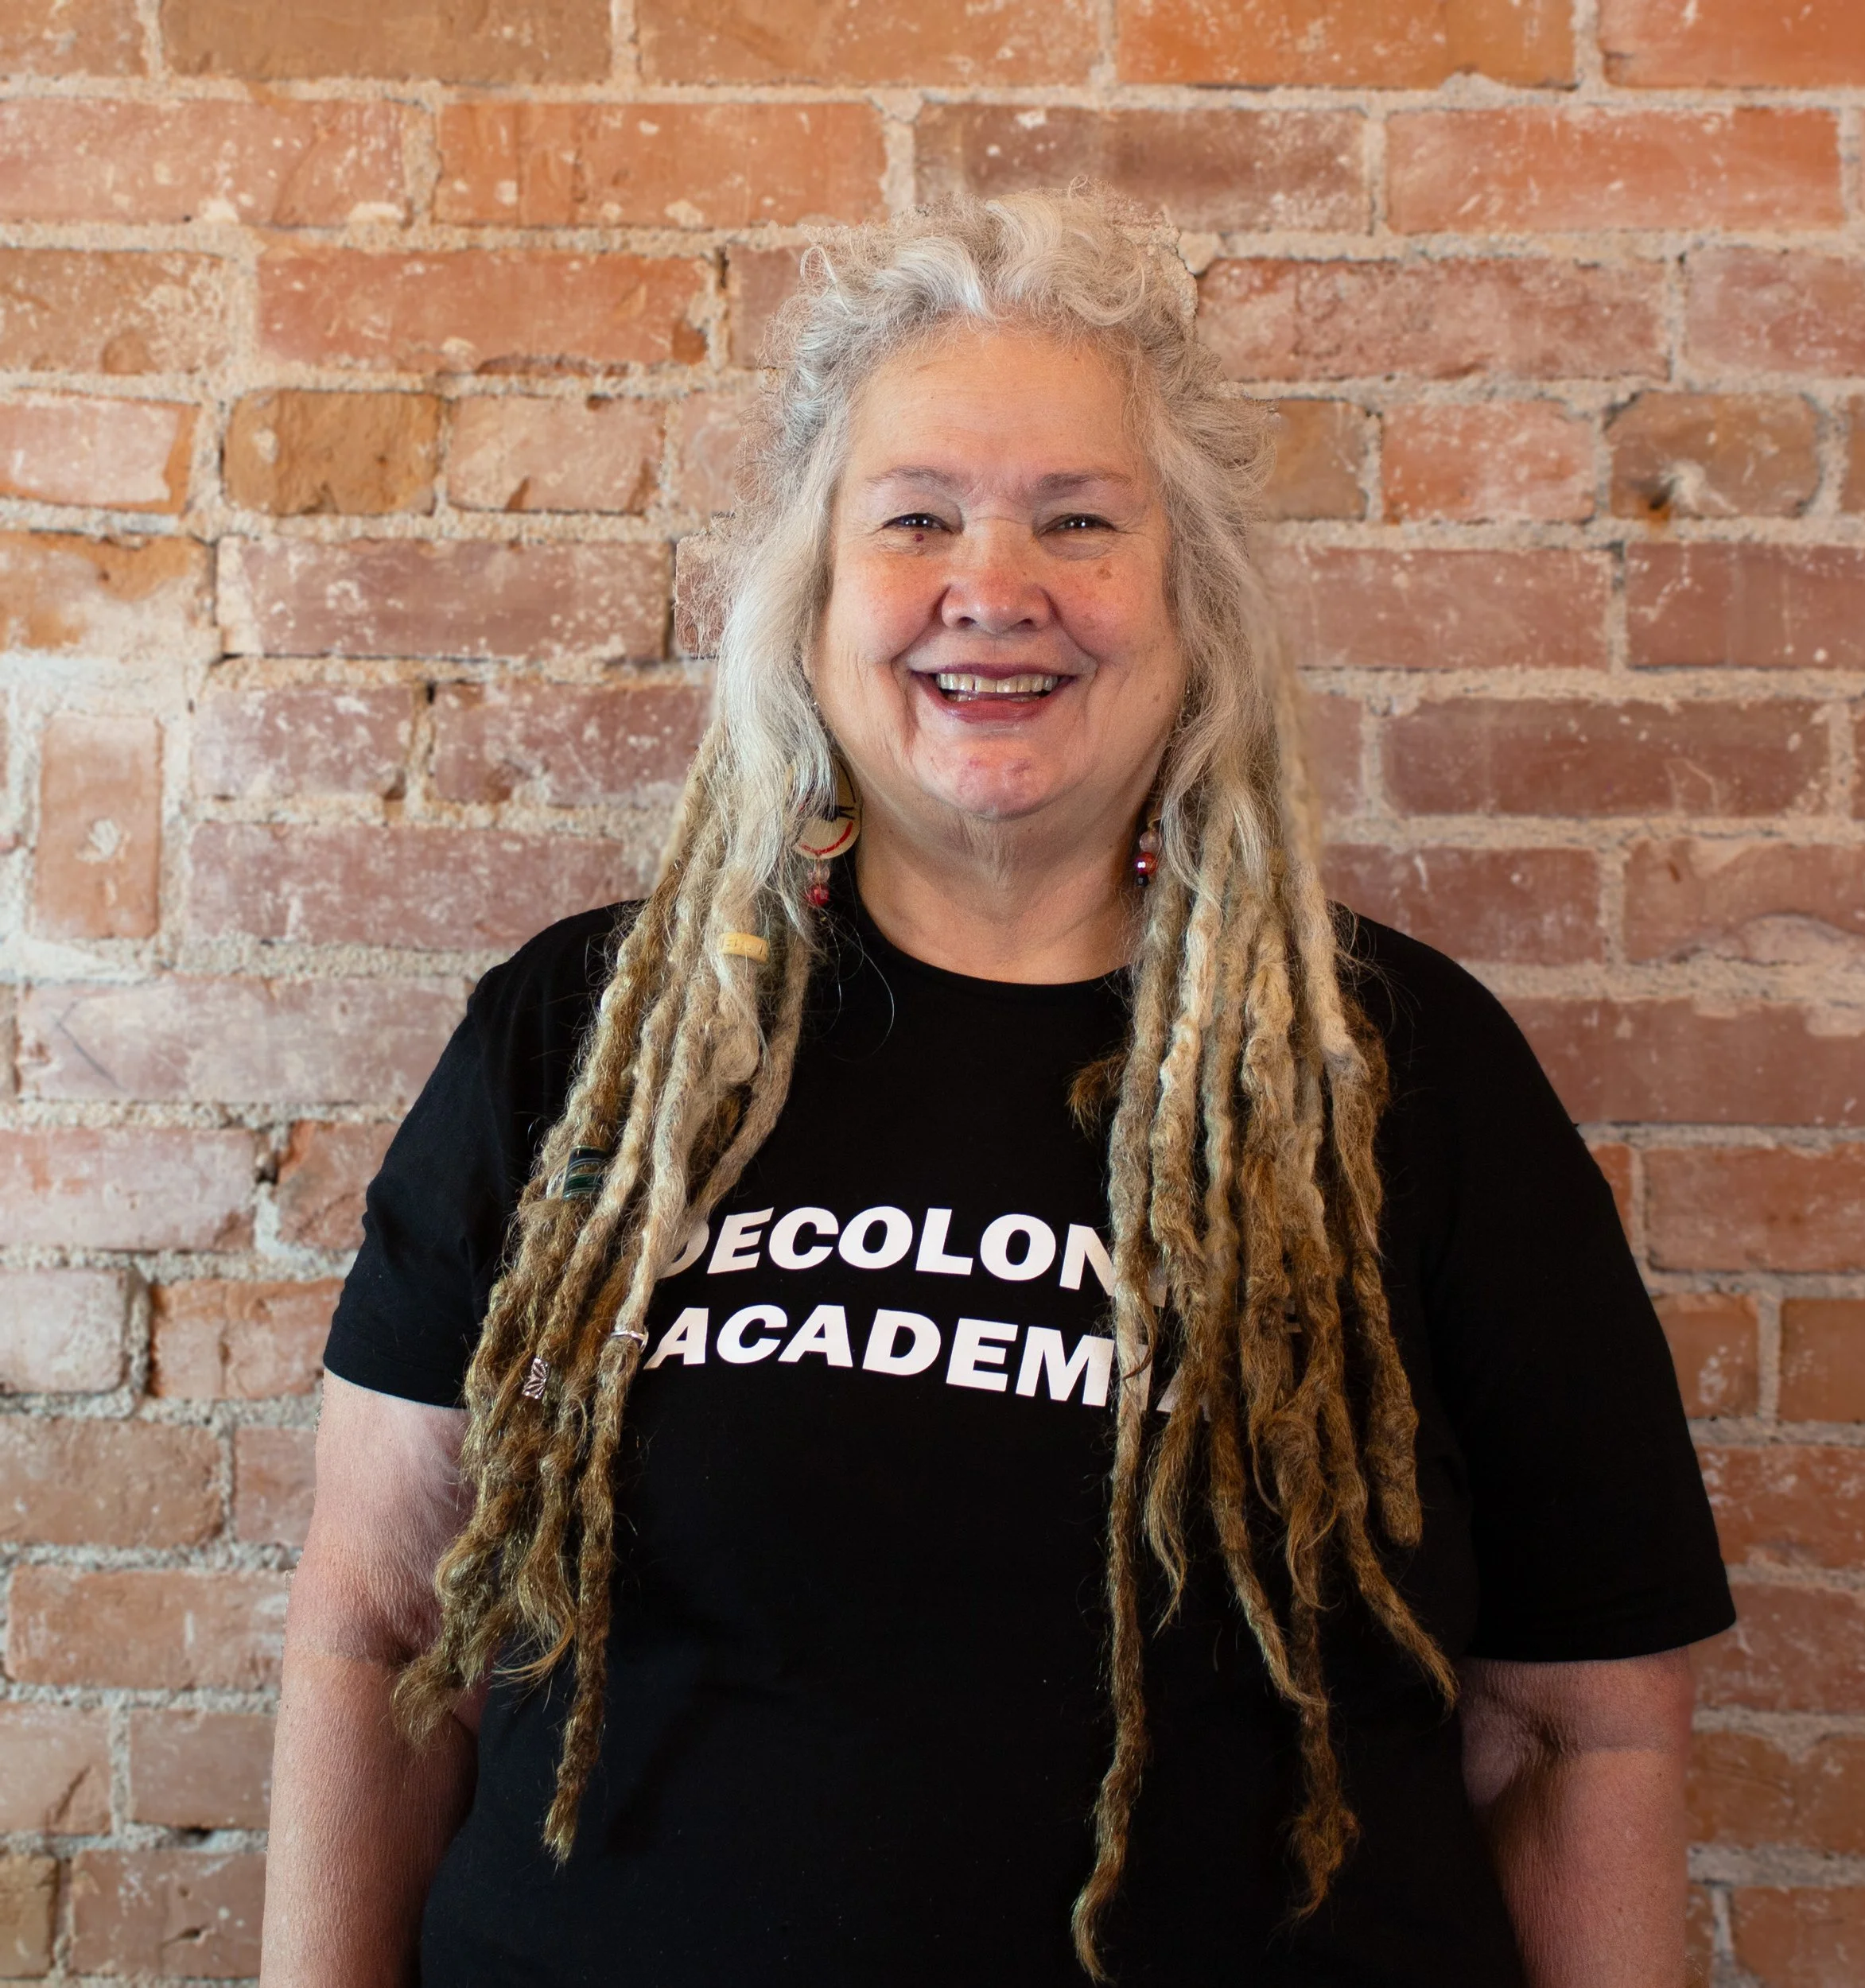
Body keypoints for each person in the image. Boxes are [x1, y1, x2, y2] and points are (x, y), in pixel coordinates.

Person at [262, 192, 1733, 1988]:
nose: (995, 584)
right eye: (917, 518)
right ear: (812, 601)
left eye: (1077, 521)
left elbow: (1585, 1732)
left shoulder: (1402, 1069)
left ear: (1188, 604)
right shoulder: (578, 1040)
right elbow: (377, 1625)